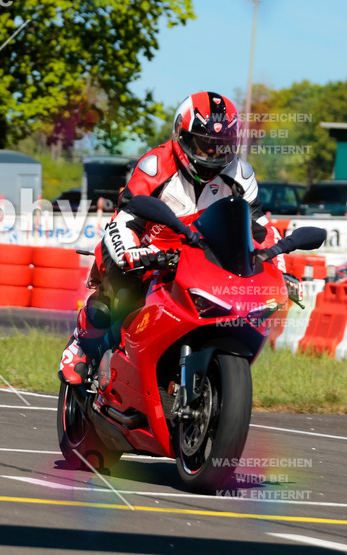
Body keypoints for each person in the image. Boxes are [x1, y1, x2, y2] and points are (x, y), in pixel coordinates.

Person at [59, 91, 298, 384]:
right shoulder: (155, 166)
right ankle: (81, 344)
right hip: (146, 247)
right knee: (124, 294)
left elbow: (260, 229)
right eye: (204, 145)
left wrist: (283, 272)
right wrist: (132, 252)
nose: (212, 155)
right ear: (182, 135)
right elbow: (125, 220)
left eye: (221, 147)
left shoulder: (240, 176)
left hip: (201, 256)